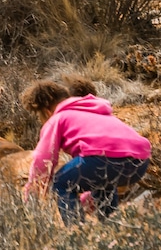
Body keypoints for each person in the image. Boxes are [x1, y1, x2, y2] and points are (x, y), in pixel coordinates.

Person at [21, 78, 152, 224]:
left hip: (103, 160)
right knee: (103, 184)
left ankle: (76, 232)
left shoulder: (57, 118)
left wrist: (31, 191)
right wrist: (86, 199)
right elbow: (94, 172)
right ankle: (111, 227)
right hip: (140, 162)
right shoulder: (97, 111)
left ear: (47, 111)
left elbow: (44, 159)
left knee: (61, 182)